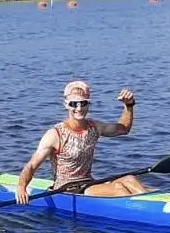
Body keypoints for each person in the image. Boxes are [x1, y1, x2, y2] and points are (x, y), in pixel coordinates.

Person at [15, 80, 149, 203]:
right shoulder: (54, 135)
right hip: (67, 189)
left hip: (89, 183)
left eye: (83, 103)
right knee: (119, 189)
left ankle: (154, 202)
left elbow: (123, 129)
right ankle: (145, 211)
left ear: (88, 104)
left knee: (130, 179)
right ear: (66, 105)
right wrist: (21, 187)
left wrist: (129, 106)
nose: (79, 108)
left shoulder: (94, 127)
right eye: (73, 104)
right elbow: (32, 165)